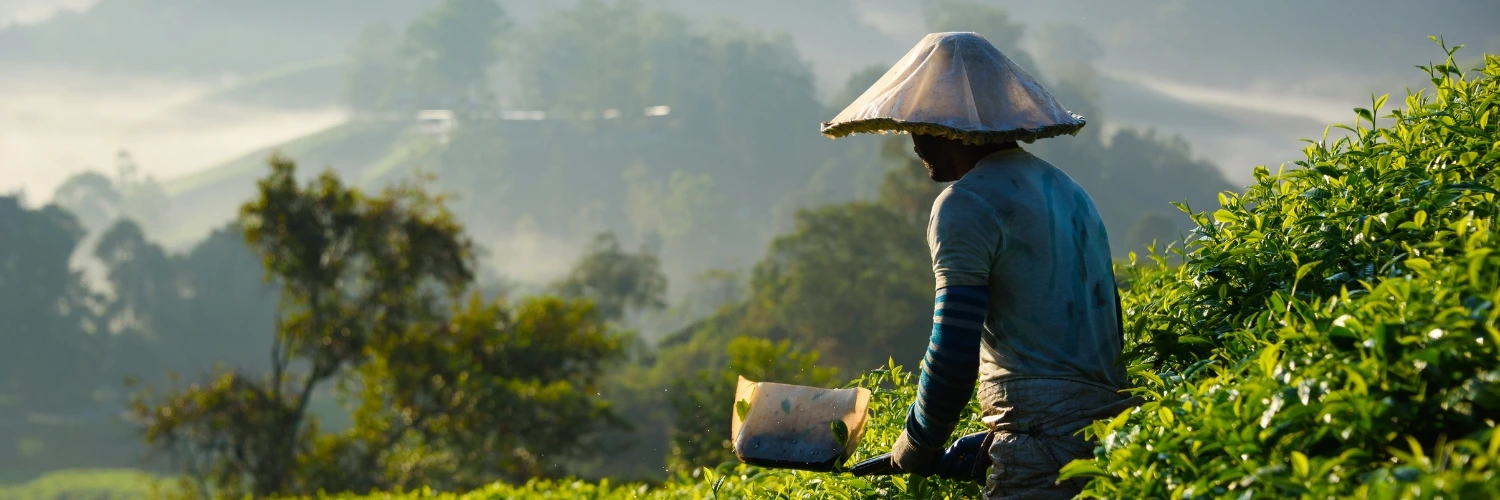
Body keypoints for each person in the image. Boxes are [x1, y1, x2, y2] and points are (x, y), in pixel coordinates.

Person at [821, 32, 1142, 499]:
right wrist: (990, 441)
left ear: (950, 129)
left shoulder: (965, 203)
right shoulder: (1070, 193)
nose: (915, 143)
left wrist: (916, 443)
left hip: (1041, 446)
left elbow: (953, 351)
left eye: (922, 125)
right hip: (1115, 438)